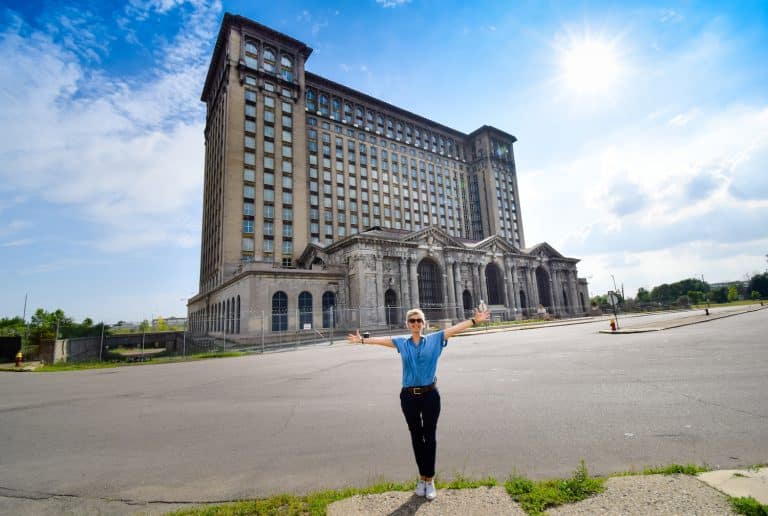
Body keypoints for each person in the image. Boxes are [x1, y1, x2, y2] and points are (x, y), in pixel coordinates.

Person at [347, 307, 490, 500]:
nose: (415, 324)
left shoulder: (435, 339)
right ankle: (421, 478)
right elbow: (381, 341)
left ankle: (429, 479)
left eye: (418, 321)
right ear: (408, 324)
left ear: (424, 323)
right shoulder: (402, 343)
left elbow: (455, 329)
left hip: (430, 394)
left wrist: (475, 320)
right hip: (408, 396)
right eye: (412, 321)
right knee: (416, 436)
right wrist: (362, 340)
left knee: (429, 437)